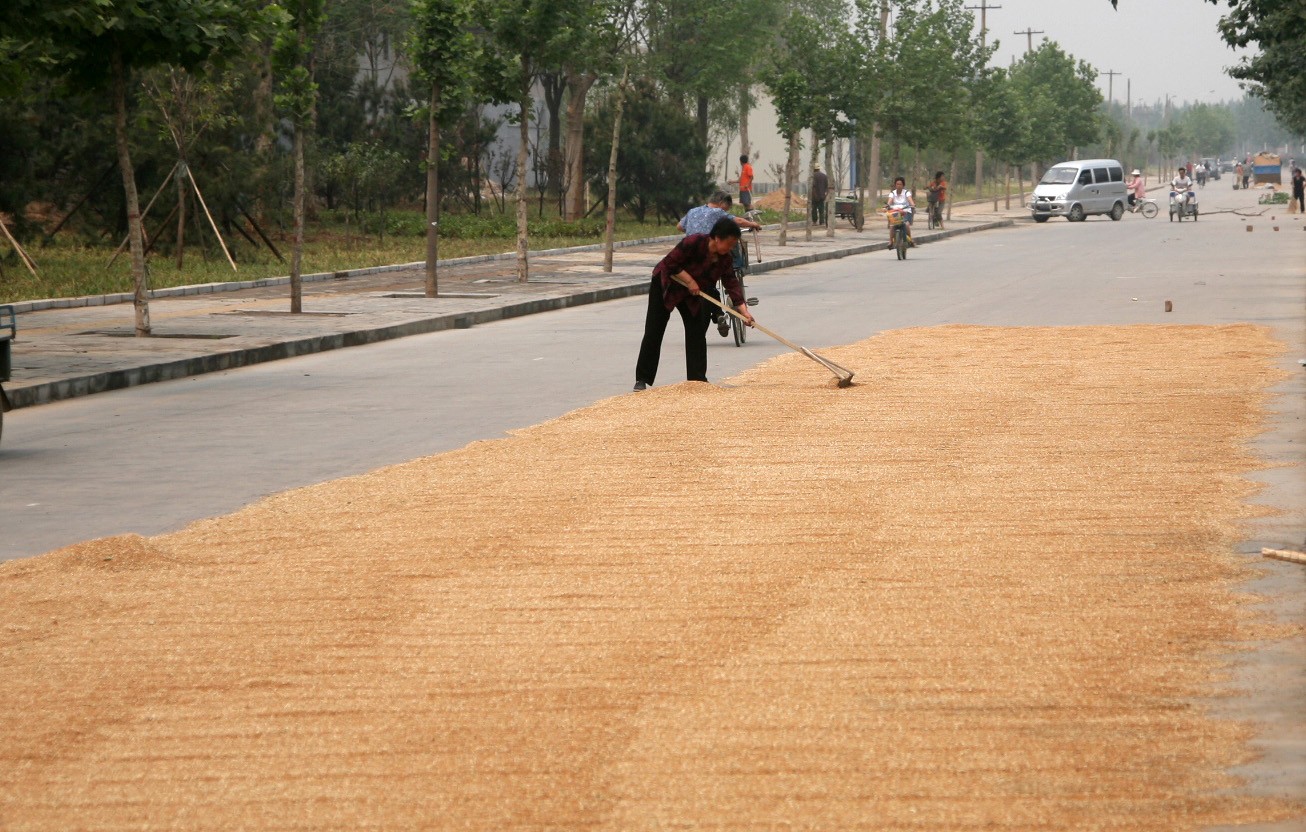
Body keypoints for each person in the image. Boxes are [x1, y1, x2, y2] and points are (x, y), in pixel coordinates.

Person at [633, 217, 754, 391]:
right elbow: (670, 263)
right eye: (729, 243)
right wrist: (689, 281)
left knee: (696, 333)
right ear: (717, 238)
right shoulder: (694, 242)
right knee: (654, 330)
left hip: (694, 294)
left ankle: (697, 380)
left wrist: (743, 311)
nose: (731, 248)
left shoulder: (724, 259)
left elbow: (731, 283)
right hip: (666, 285)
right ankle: (642, 378)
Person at [678, 191, 761, 236]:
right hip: (707, 249)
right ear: (722, 203)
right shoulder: (717, 211)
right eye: (726, 209)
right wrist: (753, 224)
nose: (726, 211)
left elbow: (680, 226)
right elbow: (739, 221)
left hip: (688, 248)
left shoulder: (693, 210)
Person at [885, 176, 914, 244]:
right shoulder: (892, 193)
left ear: (903, 185)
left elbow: (910, 200)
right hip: (895, 212)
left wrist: (912, 205)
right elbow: (889, 201)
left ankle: (910, 239)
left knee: (906, 224)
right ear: (895, 185)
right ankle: (890, 241)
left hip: (905, 211)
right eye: (897, 184)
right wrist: (887, 206)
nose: (899, 186)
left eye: (900, 184)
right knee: (892, 225)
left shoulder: (907, 193)